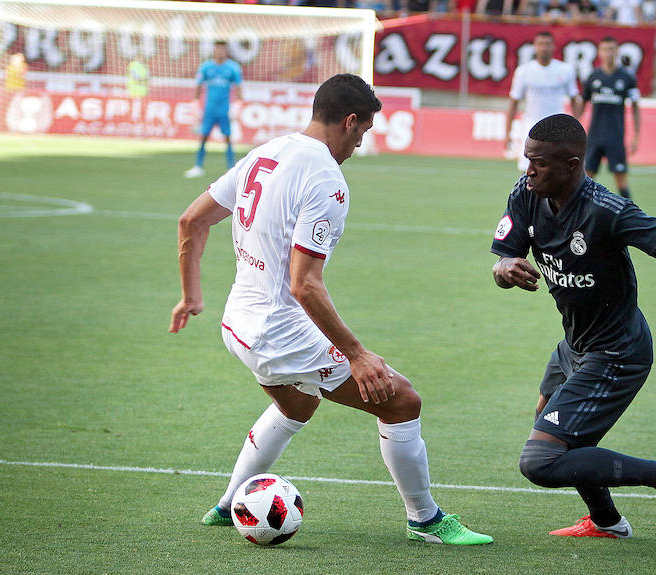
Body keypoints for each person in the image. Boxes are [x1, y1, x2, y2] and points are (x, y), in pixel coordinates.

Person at [170, 74, 492, 545]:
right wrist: (358, 355)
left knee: (296, 403)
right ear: (348, 121)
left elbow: (191, 220)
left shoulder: (267, 151)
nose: (360, 144)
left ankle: (228, 504)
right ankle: (425, 520)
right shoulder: (325, 178)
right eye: (362, 132)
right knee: (402, 402)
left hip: (237, 322)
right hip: (277, 331)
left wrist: (191, 295)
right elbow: (304, 284)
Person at [490, 114, 656, 539]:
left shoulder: (609, 210)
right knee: (551, 423)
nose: (529, 171)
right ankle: (607, 522)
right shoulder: (526, 192)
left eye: (540, 164)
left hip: (617, 353)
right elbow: (502, 260)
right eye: (526, 160)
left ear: (572, 165)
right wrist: (504, 266)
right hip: (575, 344)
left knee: (540, 461)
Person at [505, 31, 581, 171]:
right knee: (528, 172)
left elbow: (575, 99)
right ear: (535, 46)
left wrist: (576, 127)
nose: (544, 48)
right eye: (540, 44)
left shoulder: (565, 70)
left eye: (547, 44)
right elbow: (513, 101)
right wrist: (508, 131)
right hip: (531, 128)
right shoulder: (524, 71)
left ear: (553, 47)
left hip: (558, 129)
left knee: (557, 171)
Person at [577, 37, 640, 199]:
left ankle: (630, 218)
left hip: (616, 137)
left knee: (621, 180)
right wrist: (574, 131)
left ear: (617, 51)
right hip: (594, 137)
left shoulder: (627, 77)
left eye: (611, 49)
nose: (608, 53)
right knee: (586, 179)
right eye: (605, 49)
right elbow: (582, 106)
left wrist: (636, 136)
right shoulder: (593, 77)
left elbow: (635, 107)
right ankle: (579, 217)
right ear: (599, 52)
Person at [184, 41, 245, 179]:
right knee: (203, 137)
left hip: (224, 110)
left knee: (228, 138)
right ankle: (198, 166)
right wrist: (195, 104)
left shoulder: (232, 68)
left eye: (223, 49)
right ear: (214, 50)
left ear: (226, 51)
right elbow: (198, 86)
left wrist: (237, 106)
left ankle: (231, 168)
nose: (220, 52)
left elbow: (239, 89)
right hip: (209, 109)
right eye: (218, 49)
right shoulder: (206, 67)